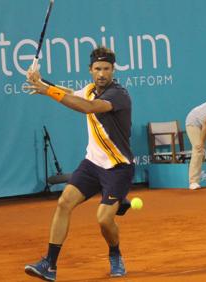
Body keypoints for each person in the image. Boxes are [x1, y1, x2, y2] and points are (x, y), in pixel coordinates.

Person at [24, 46, 135, 281]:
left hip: (118, 168)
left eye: (106, 69)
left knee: (104, 219)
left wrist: (46, 91)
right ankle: (50, 265)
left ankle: (115, 253)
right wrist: (40, 80)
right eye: (97, 69)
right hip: (92, 164)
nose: (102, 73)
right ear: (90, 70)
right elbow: (72, 93)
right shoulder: (90, 89)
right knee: (64, 202)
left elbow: (88, 107)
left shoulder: (118, 95)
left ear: (113, 70)